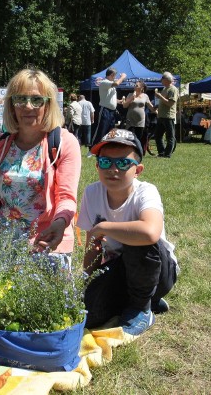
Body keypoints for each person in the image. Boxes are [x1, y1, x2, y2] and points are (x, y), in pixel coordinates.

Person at [0, 68, 81, 308]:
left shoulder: (64, 142)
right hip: (3, 241)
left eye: (37, 100)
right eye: (20, 99)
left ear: (48, 104)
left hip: (45, 241)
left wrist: (60, 224)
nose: (28, 106)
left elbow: (67, 197)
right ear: (12, 105)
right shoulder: (0, 143)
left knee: (32, 306)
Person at [78, 128, 178, 335]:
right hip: (120, 268)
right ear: (97, 166)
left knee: (137, 240)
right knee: (90, 314)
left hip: (157, 270)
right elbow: (93, 244)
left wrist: (104, 227)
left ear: (138, 170)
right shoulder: (92, 192)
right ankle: (145, 302)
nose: (113, 169)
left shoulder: (146, 191)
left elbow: (150, 233)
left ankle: (142, 307)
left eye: (123, 163)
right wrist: (85, 279)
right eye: (105, 162)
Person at [92, 67, 126, 147]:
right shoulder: (104, 82)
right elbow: (117, 83)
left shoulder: (110, 85)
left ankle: (107, 147)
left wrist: (118, 101)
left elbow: (109, 97)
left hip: (112, 111)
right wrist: (122, 77)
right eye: (115, 76)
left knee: (111, 131)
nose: (115, 77)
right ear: (112, 75)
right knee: (101, 129)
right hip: (105, 110)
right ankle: (94, 147)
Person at [154, 72, 178, 158]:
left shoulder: (173, 89)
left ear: (167, 80)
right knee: (158, 135)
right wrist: (157, 106)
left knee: (170, 136)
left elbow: (170, 103)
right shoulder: (165, 89)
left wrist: (160, 97)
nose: (161, 81)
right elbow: (164, 102)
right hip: (161, 116)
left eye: (162, 79)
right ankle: (161, 152)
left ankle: (167, 154)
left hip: (168, 116)